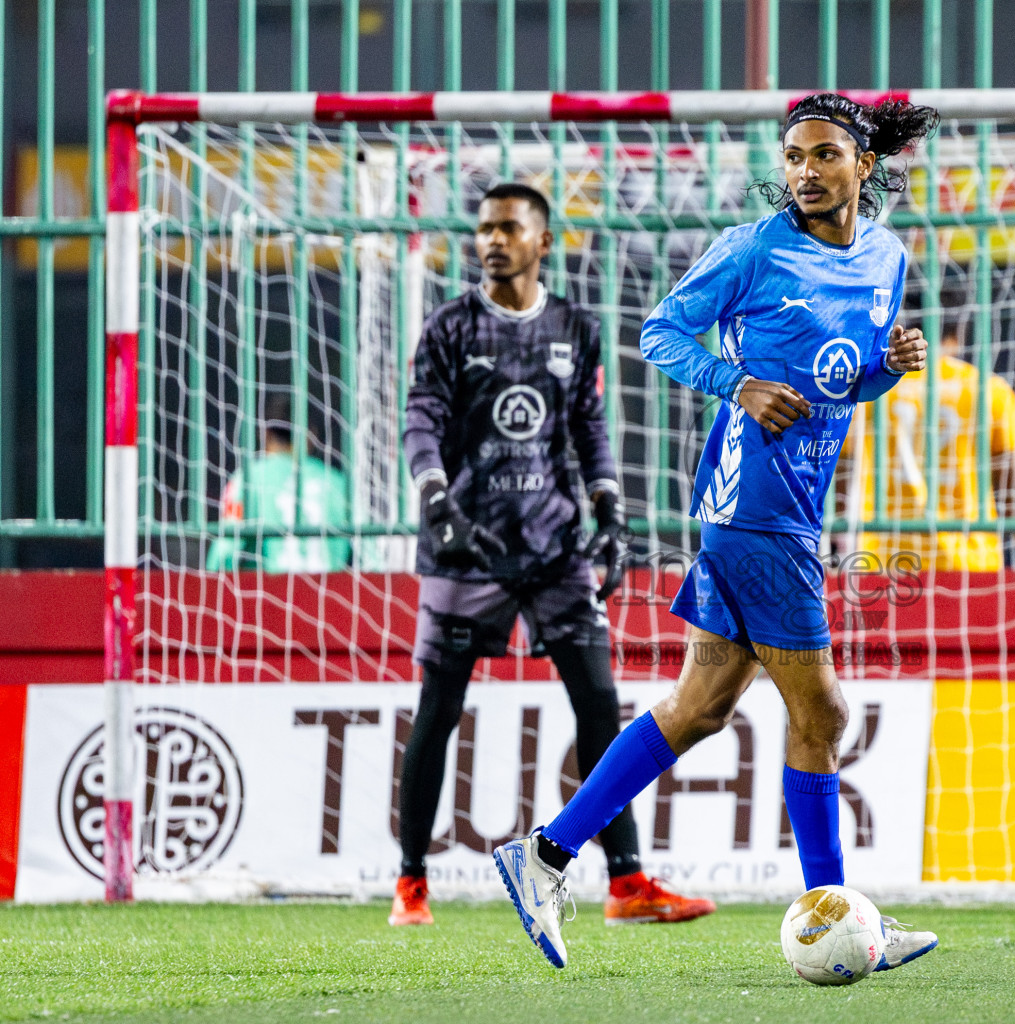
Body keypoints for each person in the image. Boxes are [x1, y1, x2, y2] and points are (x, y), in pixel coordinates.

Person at [493, 93, 941, 972]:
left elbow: (840, 384)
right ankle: (842, 917)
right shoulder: (752, 249)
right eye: (793, 157)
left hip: (796, 504)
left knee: (699, 709)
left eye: (823, 156)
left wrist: (885, 371)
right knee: (824, 711)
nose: (805, 173)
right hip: (752, 505)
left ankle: (543, 855)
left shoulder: (887, 258)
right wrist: (737, 383)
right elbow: (660, 332)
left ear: (863, 165)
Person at [393, 182, 714, 928]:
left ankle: (628, 883)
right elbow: (421, 419)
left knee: (600, 705)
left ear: (542, 241)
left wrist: (610, 504)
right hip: (466, 547)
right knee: (439, 711)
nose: (492, 240)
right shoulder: (448, 326)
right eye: (484, 229)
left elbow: (588, 424)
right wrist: (435, 496)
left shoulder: (574, 325)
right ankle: (411, 884)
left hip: (555, 542)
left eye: (508, 228)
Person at [851, 298, 1015, 571]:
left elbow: (843, 470)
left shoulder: (873, 391)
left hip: (884, 557)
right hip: (970, 560)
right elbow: (1013, 484)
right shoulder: (990, 390)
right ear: (958, 335)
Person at [206, 394, 351, 573]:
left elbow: (225, 554)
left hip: (272, 595)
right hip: (334, 594)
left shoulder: (248, 479)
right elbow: (369, 552)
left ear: (264, 433)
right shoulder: (338, 483)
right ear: (311, 435)